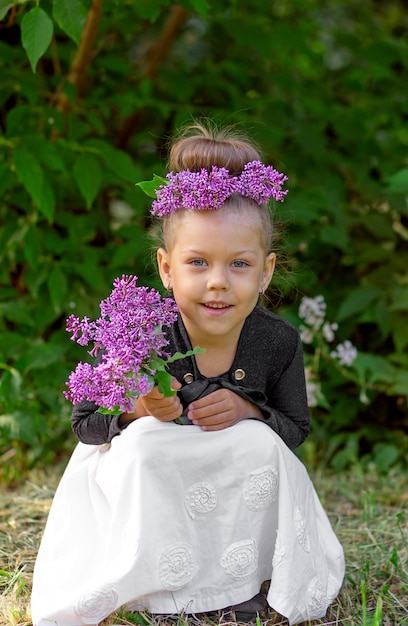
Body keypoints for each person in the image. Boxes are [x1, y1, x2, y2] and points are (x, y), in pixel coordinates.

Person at [31, 123, 345, 626]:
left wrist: (249, 410)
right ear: (165, 267)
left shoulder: (277, 340)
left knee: (260, 445)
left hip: (229, 475)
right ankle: (153, 584)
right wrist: (138, 408)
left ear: (265, 271)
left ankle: (238, 580)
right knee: (145, 445)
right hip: (156, 475)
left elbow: (295, 432)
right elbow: (84, 426)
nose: (217, 283)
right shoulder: (138, 325)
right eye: (197, 262)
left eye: (239, 264)